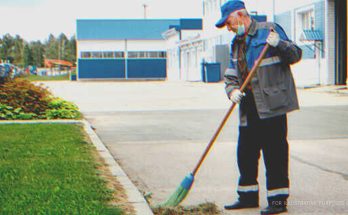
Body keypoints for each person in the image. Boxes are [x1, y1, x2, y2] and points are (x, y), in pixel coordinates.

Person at [215, 0, 302, 214]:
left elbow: (295, 55)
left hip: (272, 104)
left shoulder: (269, 30)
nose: (229, 28)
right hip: (248, 105)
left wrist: (279, 44)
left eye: (229, 23)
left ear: (240, 15)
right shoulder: (236, 42)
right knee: (245, 152)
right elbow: (231, 74)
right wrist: (232, 91)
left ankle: (278, 201)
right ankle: (247, 196)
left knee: (275, 152)